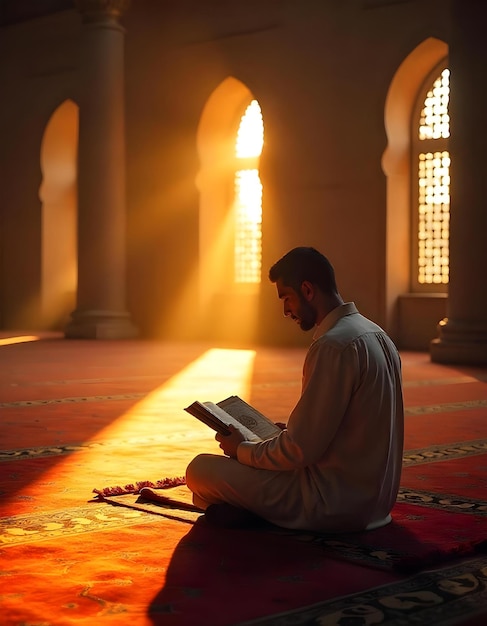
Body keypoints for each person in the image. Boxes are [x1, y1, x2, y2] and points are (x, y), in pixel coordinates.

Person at [186, 247, 404, 532]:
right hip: (377, 503)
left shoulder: (333, 345)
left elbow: (299, 451)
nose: (286, 310)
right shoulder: (377, 334)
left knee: (199, 471)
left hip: (330, 504)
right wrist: (281, 434)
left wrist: (241, 449)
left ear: (307, 290)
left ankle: (255, 513)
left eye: (287, 298)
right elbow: (346, 426)